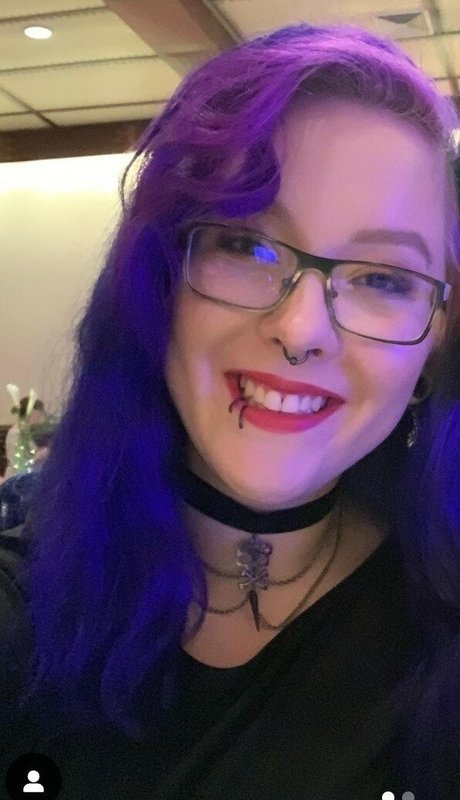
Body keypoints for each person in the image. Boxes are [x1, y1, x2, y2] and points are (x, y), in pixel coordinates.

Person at [0, 23, 459, 800]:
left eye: (383, 279)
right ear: (157, 284)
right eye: (247, 247)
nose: (302, 330)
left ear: (433, 345)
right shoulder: (20, 607)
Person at [4, 397, 46, 479]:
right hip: (16, 479)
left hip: (27, 476)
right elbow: (17, 465)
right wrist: (38, 457)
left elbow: (32, 453)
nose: (40, 417)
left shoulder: (26, 432)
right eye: (39, 413)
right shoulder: (15, 434)